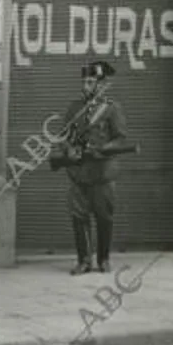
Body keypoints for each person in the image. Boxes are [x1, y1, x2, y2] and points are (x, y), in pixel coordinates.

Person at [58, 60, 130, 275]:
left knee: (104, 217)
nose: (86, 86)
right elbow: (63, 136)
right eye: (85, 82)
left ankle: (104, 259)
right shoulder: (75, 108)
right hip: (79, 172)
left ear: (101, 84)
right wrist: (68, 150)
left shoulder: (112, 108)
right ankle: (83, 260)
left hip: (102, 173)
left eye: (91, 82)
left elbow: (120, 139)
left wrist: (104, 148)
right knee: (78, 216)